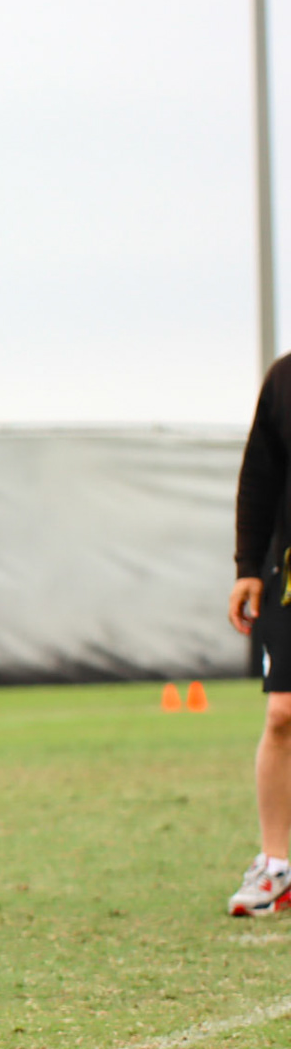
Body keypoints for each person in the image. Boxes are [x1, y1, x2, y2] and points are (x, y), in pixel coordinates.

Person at [229, 354, 291, 916]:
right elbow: (260, 476)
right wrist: (248, 565)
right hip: (289, 580)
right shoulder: (285, 379)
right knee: (282, 715)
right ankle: (276, 867)